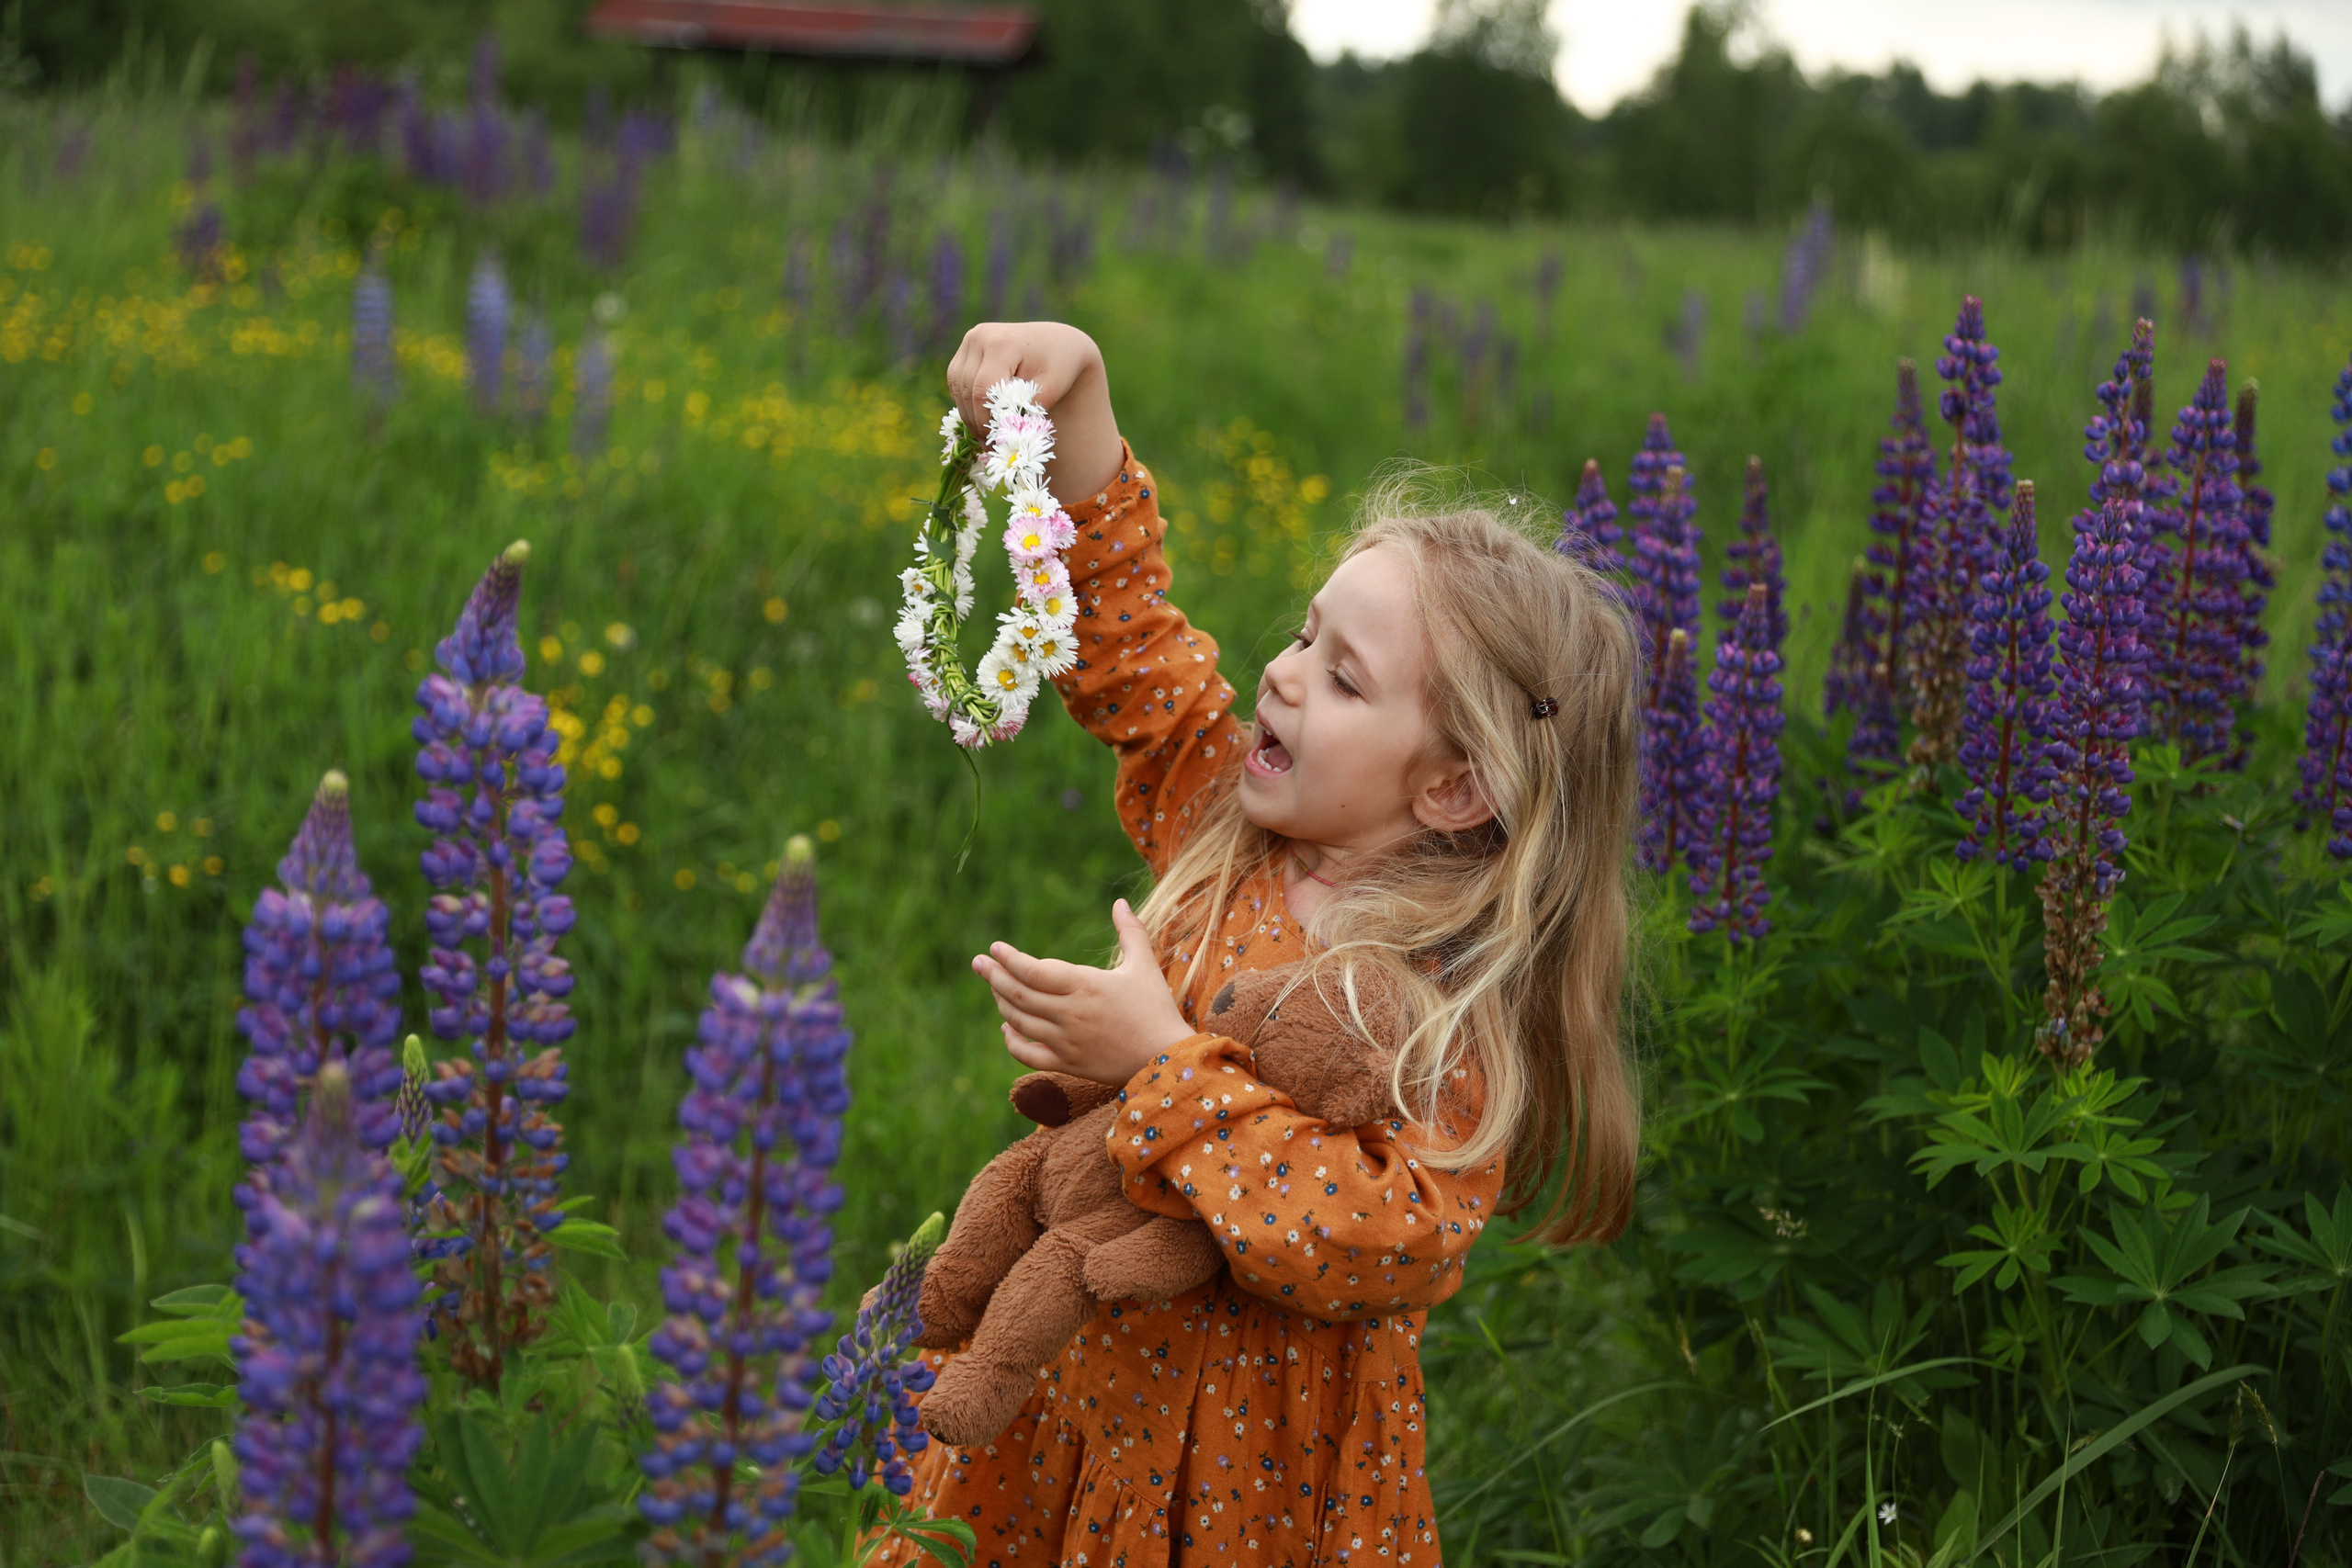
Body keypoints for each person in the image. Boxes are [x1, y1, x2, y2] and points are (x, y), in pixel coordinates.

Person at [874, 321, 1643, 1568]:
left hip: (1256, 1489)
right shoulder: (1224, 822)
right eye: (1302, 636)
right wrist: (1079, 383)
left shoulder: (1447, 1007)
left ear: (1453, 788)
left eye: (1344, 679)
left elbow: (1378, 1238)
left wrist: (1162, 1060)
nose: (1283, 678)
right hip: (1077, 1403)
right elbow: (1130, 640)